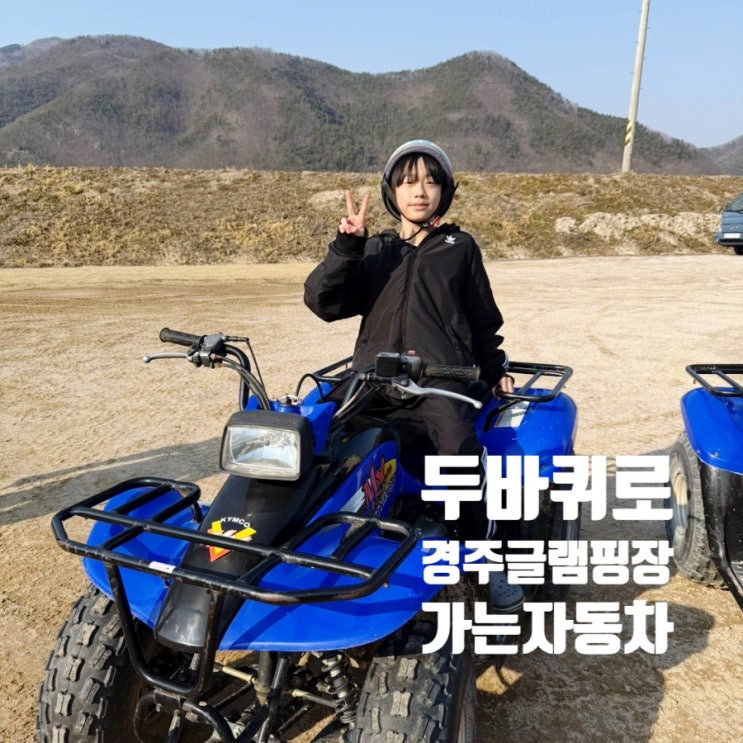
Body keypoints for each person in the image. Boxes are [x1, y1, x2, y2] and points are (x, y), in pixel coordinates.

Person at [304, 139, 515, 552]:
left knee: (458, 451)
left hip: (439, 380)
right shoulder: (376, 250)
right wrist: (347, 247)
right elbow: (323, 303)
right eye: (408, 182)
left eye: (431, 182)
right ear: (392, 191)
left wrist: (494, 371)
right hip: (374, 381)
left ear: (444, 191)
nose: (420, 192)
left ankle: (480, 549)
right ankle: (312, 540)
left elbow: (482, 319)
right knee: (319, 434)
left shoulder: (460, 248)